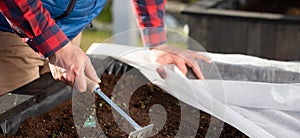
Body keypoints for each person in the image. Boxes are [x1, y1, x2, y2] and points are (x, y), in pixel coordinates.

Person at [0, 0, 210, 96]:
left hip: (70, 34)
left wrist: (156, 43)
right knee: (12, 126)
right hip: (12, 30)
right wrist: (56, 47)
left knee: (49, 106)